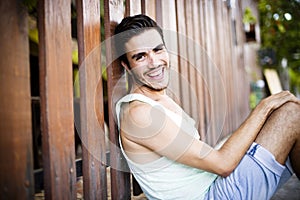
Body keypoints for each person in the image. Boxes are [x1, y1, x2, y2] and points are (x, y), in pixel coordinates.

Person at [113, 14, 300, 199]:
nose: (154, 62)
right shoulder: (140, 114)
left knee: (288, 121)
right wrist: (264, 107)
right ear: (127, 66)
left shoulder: (159, 101)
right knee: (291, 115)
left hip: (214, 186)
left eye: (158, 50)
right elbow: (223, 164)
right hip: (212, 195)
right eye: (140, 57)